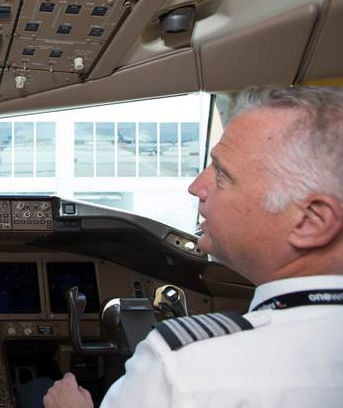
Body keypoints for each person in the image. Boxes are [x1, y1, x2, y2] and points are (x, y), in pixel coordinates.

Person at [44, 85, 343, 408]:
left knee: (40, 390)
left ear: (311, 221)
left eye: (223, 175)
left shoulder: (187, 368)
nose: (196, 186)